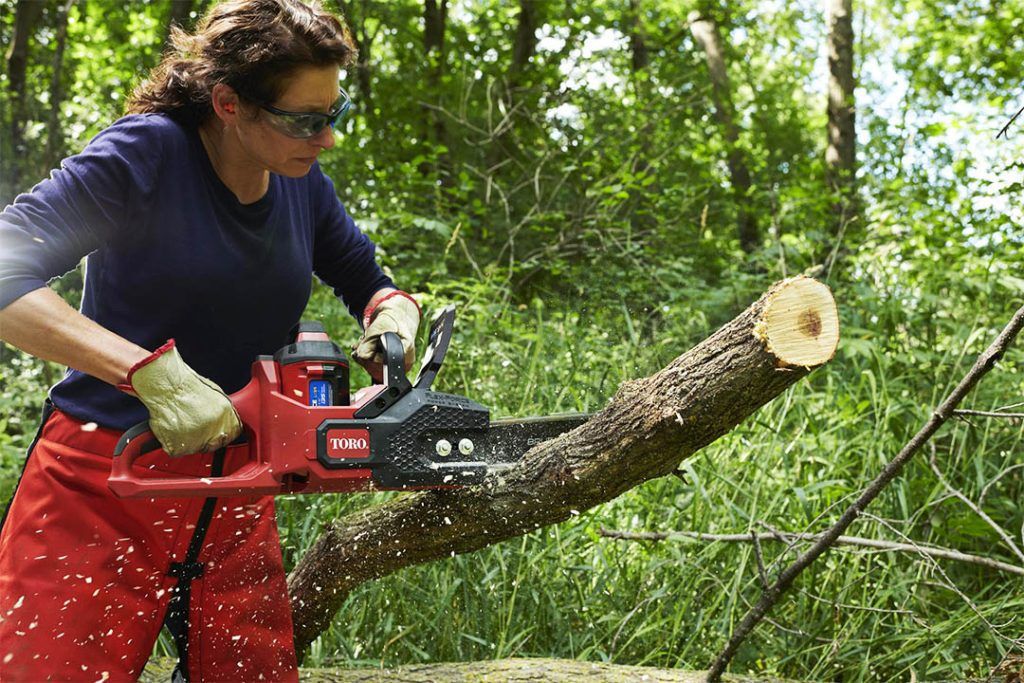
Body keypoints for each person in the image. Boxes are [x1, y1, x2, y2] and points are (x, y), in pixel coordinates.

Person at [0, 0, 421, 679]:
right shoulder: (147, 154)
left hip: (236, 491)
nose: (328, 138)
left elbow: (371, 281)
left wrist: (392, 315)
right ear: (229, 103)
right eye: (308, 120)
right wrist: (145, 373)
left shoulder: (302, 181)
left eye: (334, 115)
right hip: (106, 481)